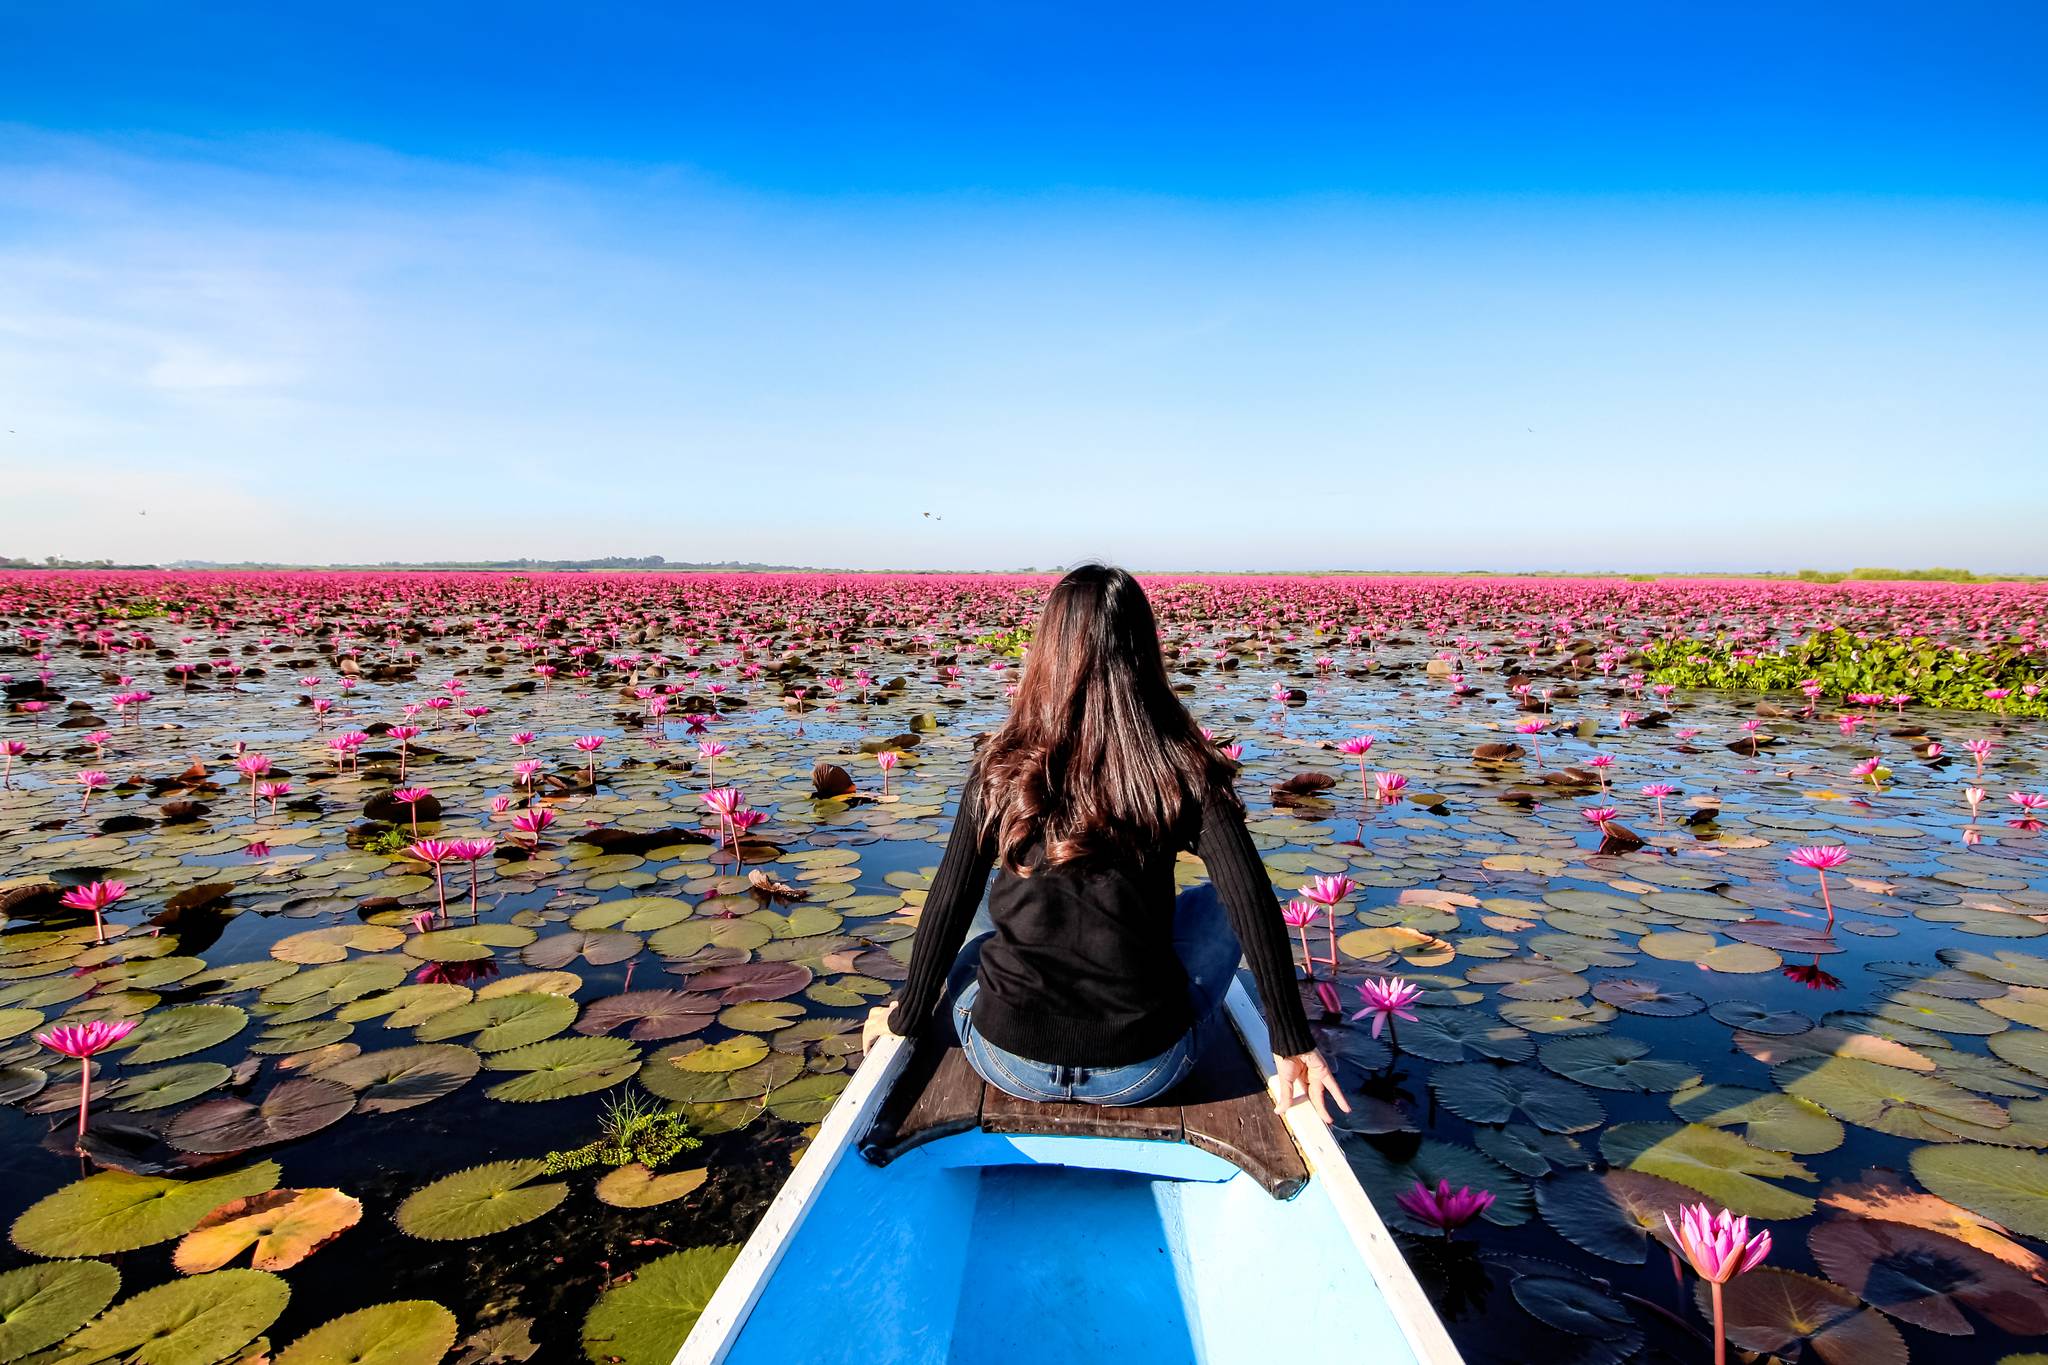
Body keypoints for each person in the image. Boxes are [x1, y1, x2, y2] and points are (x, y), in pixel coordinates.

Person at [861, 564, 1348, 1122]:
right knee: (1222, 900)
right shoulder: (1182, 768)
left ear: (1047, 648)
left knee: (977, 918)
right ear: (1143, 652)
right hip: (1142, 1069)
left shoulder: (1000, 764)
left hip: (1006, 1059)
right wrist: (1291, 1041)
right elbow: (1254, 903)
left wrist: (905, 1017)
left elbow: (947, 901)